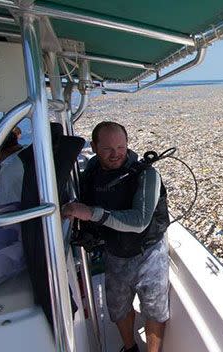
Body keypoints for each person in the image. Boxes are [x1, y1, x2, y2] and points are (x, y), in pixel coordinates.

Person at [63, 121, 170, 352]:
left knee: (154, 308)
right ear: (94, 147)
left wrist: (92, 213)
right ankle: (129, 347)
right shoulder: (92, 171)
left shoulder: (147, 175)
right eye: (107, 149)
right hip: (114, 251)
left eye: (121, 147)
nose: (115, 154)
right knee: (118, 306)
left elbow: (140, 221)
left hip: (149, 251)